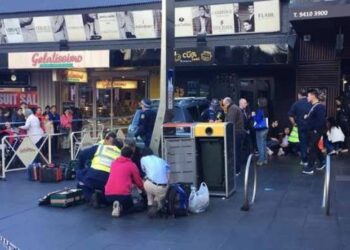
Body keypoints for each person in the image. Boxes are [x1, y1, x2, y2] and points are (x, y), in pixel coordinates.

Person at [79, 138, 122, 207]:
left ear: (111, 143)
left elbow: (82, 154)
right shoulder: (121, 154)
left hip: (92, 177)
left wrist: (81, 167)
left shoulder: (100, 147)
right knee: (108, 197)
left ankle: (89, 196)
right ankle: (101, 198)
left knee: (80, 174)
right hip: (107, 181)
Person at [105, 146, 146, 217]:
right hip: (123, 195)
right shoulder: (132, 165)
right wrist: (144, 190)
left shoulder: (113, 163)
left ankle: (116, 204)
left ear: (120, 154)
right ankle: (122, 207)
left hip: (108, 194)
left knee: (113, 198)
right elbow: (138, 181)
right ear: (131, 155)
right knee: (137, 207)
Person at [302, 89, 326, 175]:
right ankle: (322, 161)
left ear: (313, 96)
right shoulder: (314, 106)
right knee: (315, 146)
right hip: (312, 131)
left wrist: (316, 129)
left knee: (312, 148)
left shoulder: (319, 107)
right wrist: (307, 117)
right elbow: (314, 119)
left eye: (308, 95)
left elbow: (321, 120)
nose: (307, 97)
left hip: (316, 131)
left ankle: (310, 168)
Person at [141, 147, 170, 217]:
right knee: (157, 185)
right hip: (164, 188)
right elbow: (168, 176)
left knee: (145, 179)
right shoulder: (162, 160)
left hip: (151, 186)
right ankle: (157, 201)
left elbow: (144, 171)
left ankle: (150, 203)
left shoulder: (143, 159)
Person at [288, 89, 312, 166]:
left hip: (301, 127)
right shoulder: (311, 102)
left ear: (299, 95)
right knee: (311, 144)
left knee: (303, 144)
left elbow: (290, 115)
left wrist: (294, 123)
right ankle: (313, 160)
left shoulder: (296, 104)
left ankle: (304, 160)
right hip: (311, 127)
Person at [222, 97, 245, 175]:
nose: (223, 105)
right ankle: (236, 169)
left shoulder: (232, 109)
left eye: (224, 104)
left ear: (227, 103)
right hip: (238, 133)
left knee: (235, 152)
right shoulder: (233, 108)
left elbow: (230, 123)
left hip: (236, 133)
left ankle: (236, 170)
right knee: (236, 152)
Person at [252, 97, 269, 166]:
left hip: (260, 129)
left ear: (260, 103)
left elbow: (257, 120)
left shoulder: (260, 110)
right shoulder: (266, 110)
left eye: (258, 101)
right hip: (265, 128)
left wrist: (253, 115)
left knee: (260, 145)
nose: (257, 102)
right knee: (264, 144)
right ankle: (265, 159)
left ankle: (261, 160)